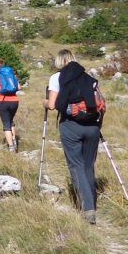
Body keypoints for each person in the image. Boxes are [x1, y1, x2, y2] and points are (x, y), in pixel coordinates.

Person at [44, 49, 101, 225]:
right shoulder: (88, 76)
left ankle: (88, 208)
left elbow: (52, 105)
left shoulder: (56, 78)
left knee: (76, 166)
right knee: (88, 164)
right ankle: (91, 201)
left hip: (70, 126)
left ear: (59, 61)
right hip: (92, 125)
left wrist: (45, 102)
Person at [0, 58, 20, 152]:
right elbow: (18, 87)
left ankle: (11, 147)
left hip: (2, 101)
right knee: (11, 121)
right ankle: (14, 140)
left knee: (6, 124)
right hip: (14, 101)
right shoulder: (11, 74)